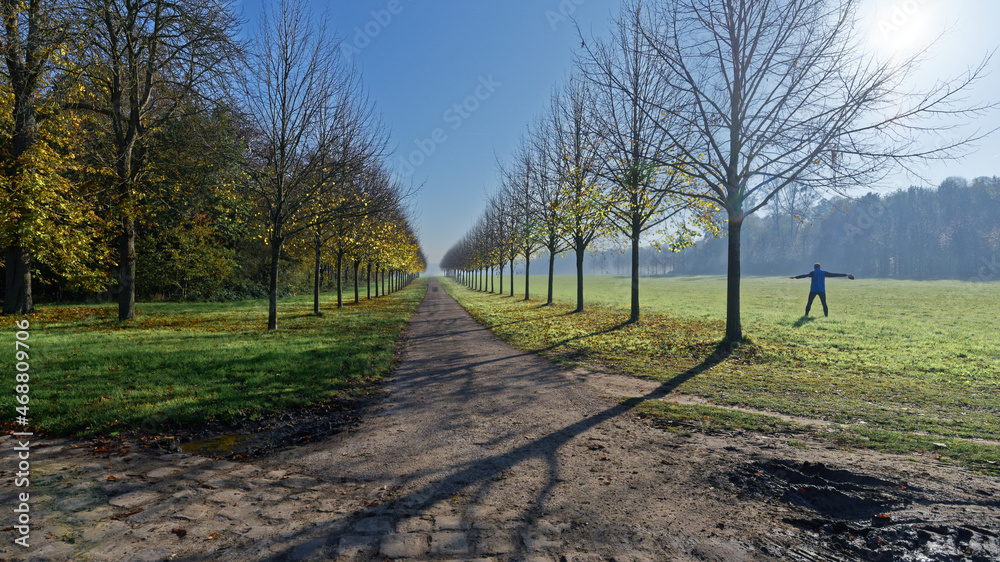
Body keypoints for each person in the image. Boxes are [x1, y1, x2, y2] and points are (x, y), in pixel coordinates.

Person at [789, 263, 854, 317]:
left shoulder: (813, 272)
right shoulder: (824, 272)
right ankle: (826, 316)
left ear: (814, 267)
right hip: (821, 290)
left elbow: (804, 275)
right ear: (820, 267)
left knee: (809, 303)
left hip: (813, 290)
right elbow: (834, 274)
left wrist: (795, 277)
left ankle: (806, 315)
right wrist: (846, 274)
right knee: (824, 304)